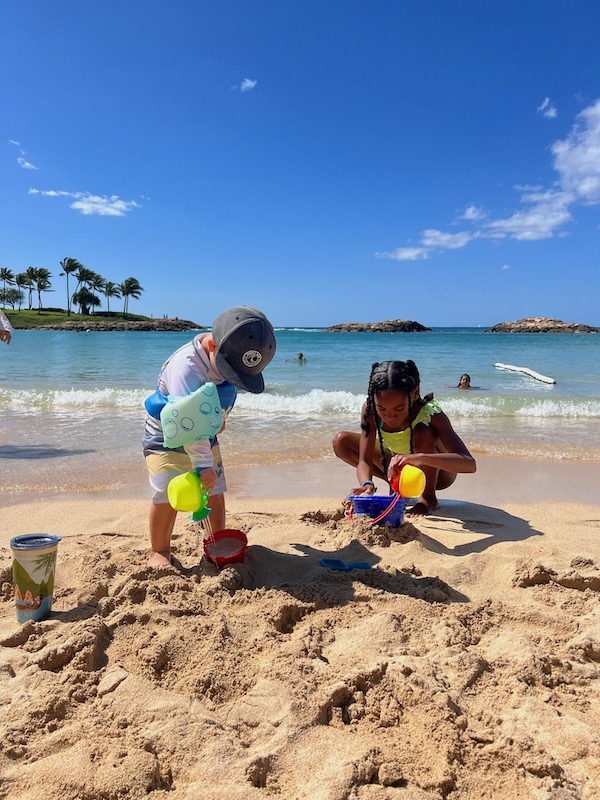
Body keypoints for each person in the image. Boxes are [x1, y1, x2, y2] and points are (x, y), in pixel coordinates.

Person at [143, 306, 276, 566]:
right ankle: (159, 550)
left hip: (203, 433)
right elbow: (189, 424)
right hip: (165, 435)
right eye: (227, 372)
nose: (229, 378)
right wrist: (202, 465)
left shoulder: (221, 355)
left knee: (215, 488)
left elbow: (213, 410)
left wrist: (219, 422)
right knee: (165, 492)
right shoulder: (187, 368)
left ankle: (216, 541)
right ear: (212, 344)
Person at [332, 360, 476, 516]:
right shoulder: (371, 410)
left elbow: (469, 464)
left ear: (414, 394)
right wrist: (367, 483)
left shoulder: (430, 414)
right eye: (382, 408)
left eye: (399, 408)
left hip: (438, 474)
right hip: (399, 467)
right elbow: (364, 460)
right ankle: (396, 485)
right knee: (341, 441)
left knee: (422, 431)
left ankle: (428, 499)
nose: (389, 416)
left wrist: (419, 459)